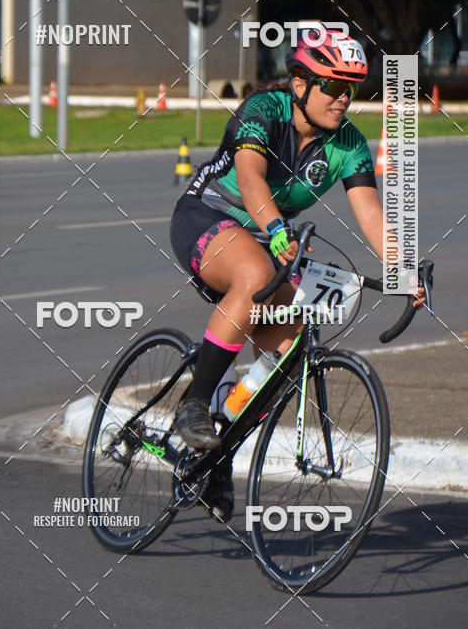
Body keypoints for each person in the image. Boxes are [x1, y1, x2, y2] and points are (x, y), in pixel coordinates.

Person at [169, 31, 425, 521]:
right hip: (208, 216)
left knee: (288, 355)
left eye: (352, 88)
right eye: (334, 86)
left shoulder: (348, 143)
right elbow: (250, 179)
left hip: (268, 239)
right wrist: (275, 228)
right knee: (255, 271)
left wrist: (404, 268)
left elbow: (371, 215)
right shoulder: (264, 110)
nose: (344, 98)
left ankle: (217, 451)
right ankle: (194, 402)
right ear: (301, 83)